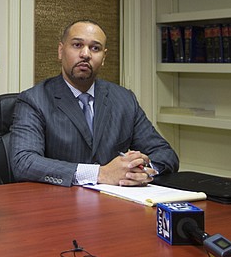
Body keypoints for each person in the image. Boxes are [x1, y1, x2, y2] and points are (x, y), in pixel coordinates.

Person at [10, 19, 178, 187]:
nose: (85, 54)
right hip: (59, 203)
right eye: (77, 45)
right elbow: (24, 162)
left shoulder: (124, 99)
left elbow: (165, 154)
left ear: (103, 57)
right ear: (61, 51)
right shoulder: (34, 100)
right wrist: (100, 174)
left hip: (116, 202)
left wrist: (142, 169)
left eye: (95, 48)